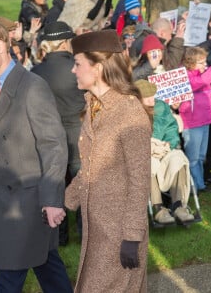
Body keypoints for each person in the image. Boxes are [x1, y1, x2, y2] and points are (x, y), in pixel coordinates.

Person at [0, 20, 73, 293]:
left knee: (11, 277)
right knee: (47, 266)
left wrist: (52, 199)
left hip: (30, 198)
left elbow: (54, 144)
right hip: (6, 196)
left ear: (2, 46)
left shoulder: (32, 86)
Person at [65, 29, 151, 292]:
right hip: (98, 231)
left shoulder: (128, 112)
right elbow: (91, 165)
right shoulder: (94, 105)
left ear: (98, 68)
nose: (72, 70)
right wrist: (66, 201)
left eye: (77, 64)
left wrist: (132, 237)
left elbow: (140, 179)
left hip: (120, 234)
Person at [31, 21, 86, 244]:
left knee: (55, 183)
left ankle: (59, 235)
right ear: (65, 42)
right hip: (77, 133)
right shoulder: (78, 66)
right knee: (82, 183)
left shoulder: (35, 72)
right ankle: (85, 232)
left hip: (48, 137)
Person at [136, 79, 194, 224]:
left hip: (164, 148)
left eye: (152, 95)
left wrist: (170, 143)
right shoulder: (130, 113)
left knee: (178, 157)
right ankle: (158, 209)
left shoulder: (161, 106)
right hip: (145, 152)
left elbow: (171, 128)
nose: (151, 99)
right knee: (148, 164)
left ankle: (178, 206)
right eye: (146, 96)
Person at [179, 47, 211, 192]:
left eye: (205, 62)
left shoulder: (203, 74)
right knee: (192, 158)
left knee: (200, 156)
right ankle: (195, 186)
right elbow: (199, 82)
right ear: (190, 63)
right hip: (192, 123)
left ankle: (199, 184)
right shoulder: (185, 76)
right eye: (200, 62)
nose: (204, 65)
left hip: (205, 120)